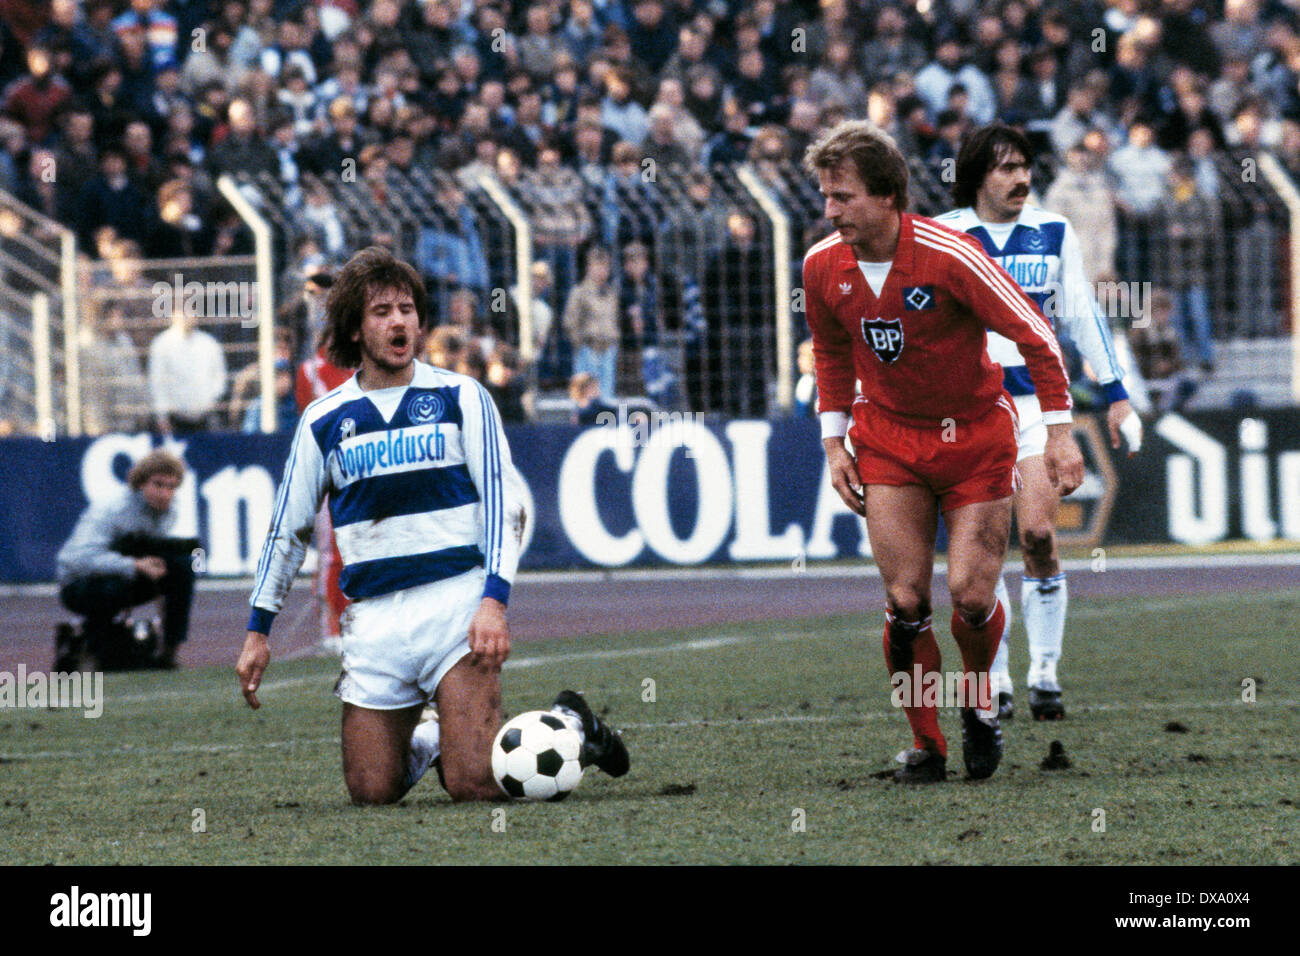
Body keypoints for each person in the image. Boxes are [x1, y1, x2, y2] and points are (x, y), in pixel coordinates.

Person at [238, 247, 629, 805]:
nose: (399, 321)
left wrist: (493, 602)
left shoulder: (461, 396)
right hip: (373, 618)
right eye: (381, 312)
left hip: (455, 607)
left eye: (407, 309)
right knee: (372, 791)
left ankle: (570, 724)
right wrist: (259, 631)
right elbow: (288, 529)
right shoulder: (323, 420)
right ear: (353, 327)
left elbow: (502, 505)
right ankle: (436, 733)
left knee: (475, 785)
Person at [801, 121, 1084, 784]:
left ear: (887, 196)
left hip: (975, 439)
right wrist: (833, 442)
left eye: (842, 197)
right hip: (890, 443)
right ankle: (928, 744)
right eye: (826, 196)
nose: (829, 210)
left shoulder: (950, 254)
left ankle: (980, 707)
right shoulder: (820, 267)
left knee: (970, 595)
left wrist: (1060, 433)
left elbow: (1037, 334)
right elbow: (833, 354)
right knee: (905, 602)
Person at [936, 123, 1143, 721]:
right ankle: (997, 678)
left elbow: (1081, 314)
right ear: (977, 175)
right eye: (1005, 168)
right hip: (968, 413)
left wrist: (1117, 395)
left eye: (1025, 165)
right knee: (983, 549)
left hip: (1034, 409)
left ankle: (1045, 671)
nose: (1021, 178)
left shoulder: (1052, 231)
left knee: (1039, 537)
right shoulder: (946, 237)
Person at [55, 450, 196, 670]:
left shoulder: (169, 511)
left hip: (122, 575)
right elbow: (76, 559)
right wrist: (134, 565)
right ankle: (91, 645)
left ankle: (169, 651)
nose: (165, 494)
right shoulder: (114, 509)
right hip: (79, 584)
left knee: (181, 567)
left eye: (171, 487)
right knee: (113, 587)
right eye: (158, 485)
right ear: (140, 483)